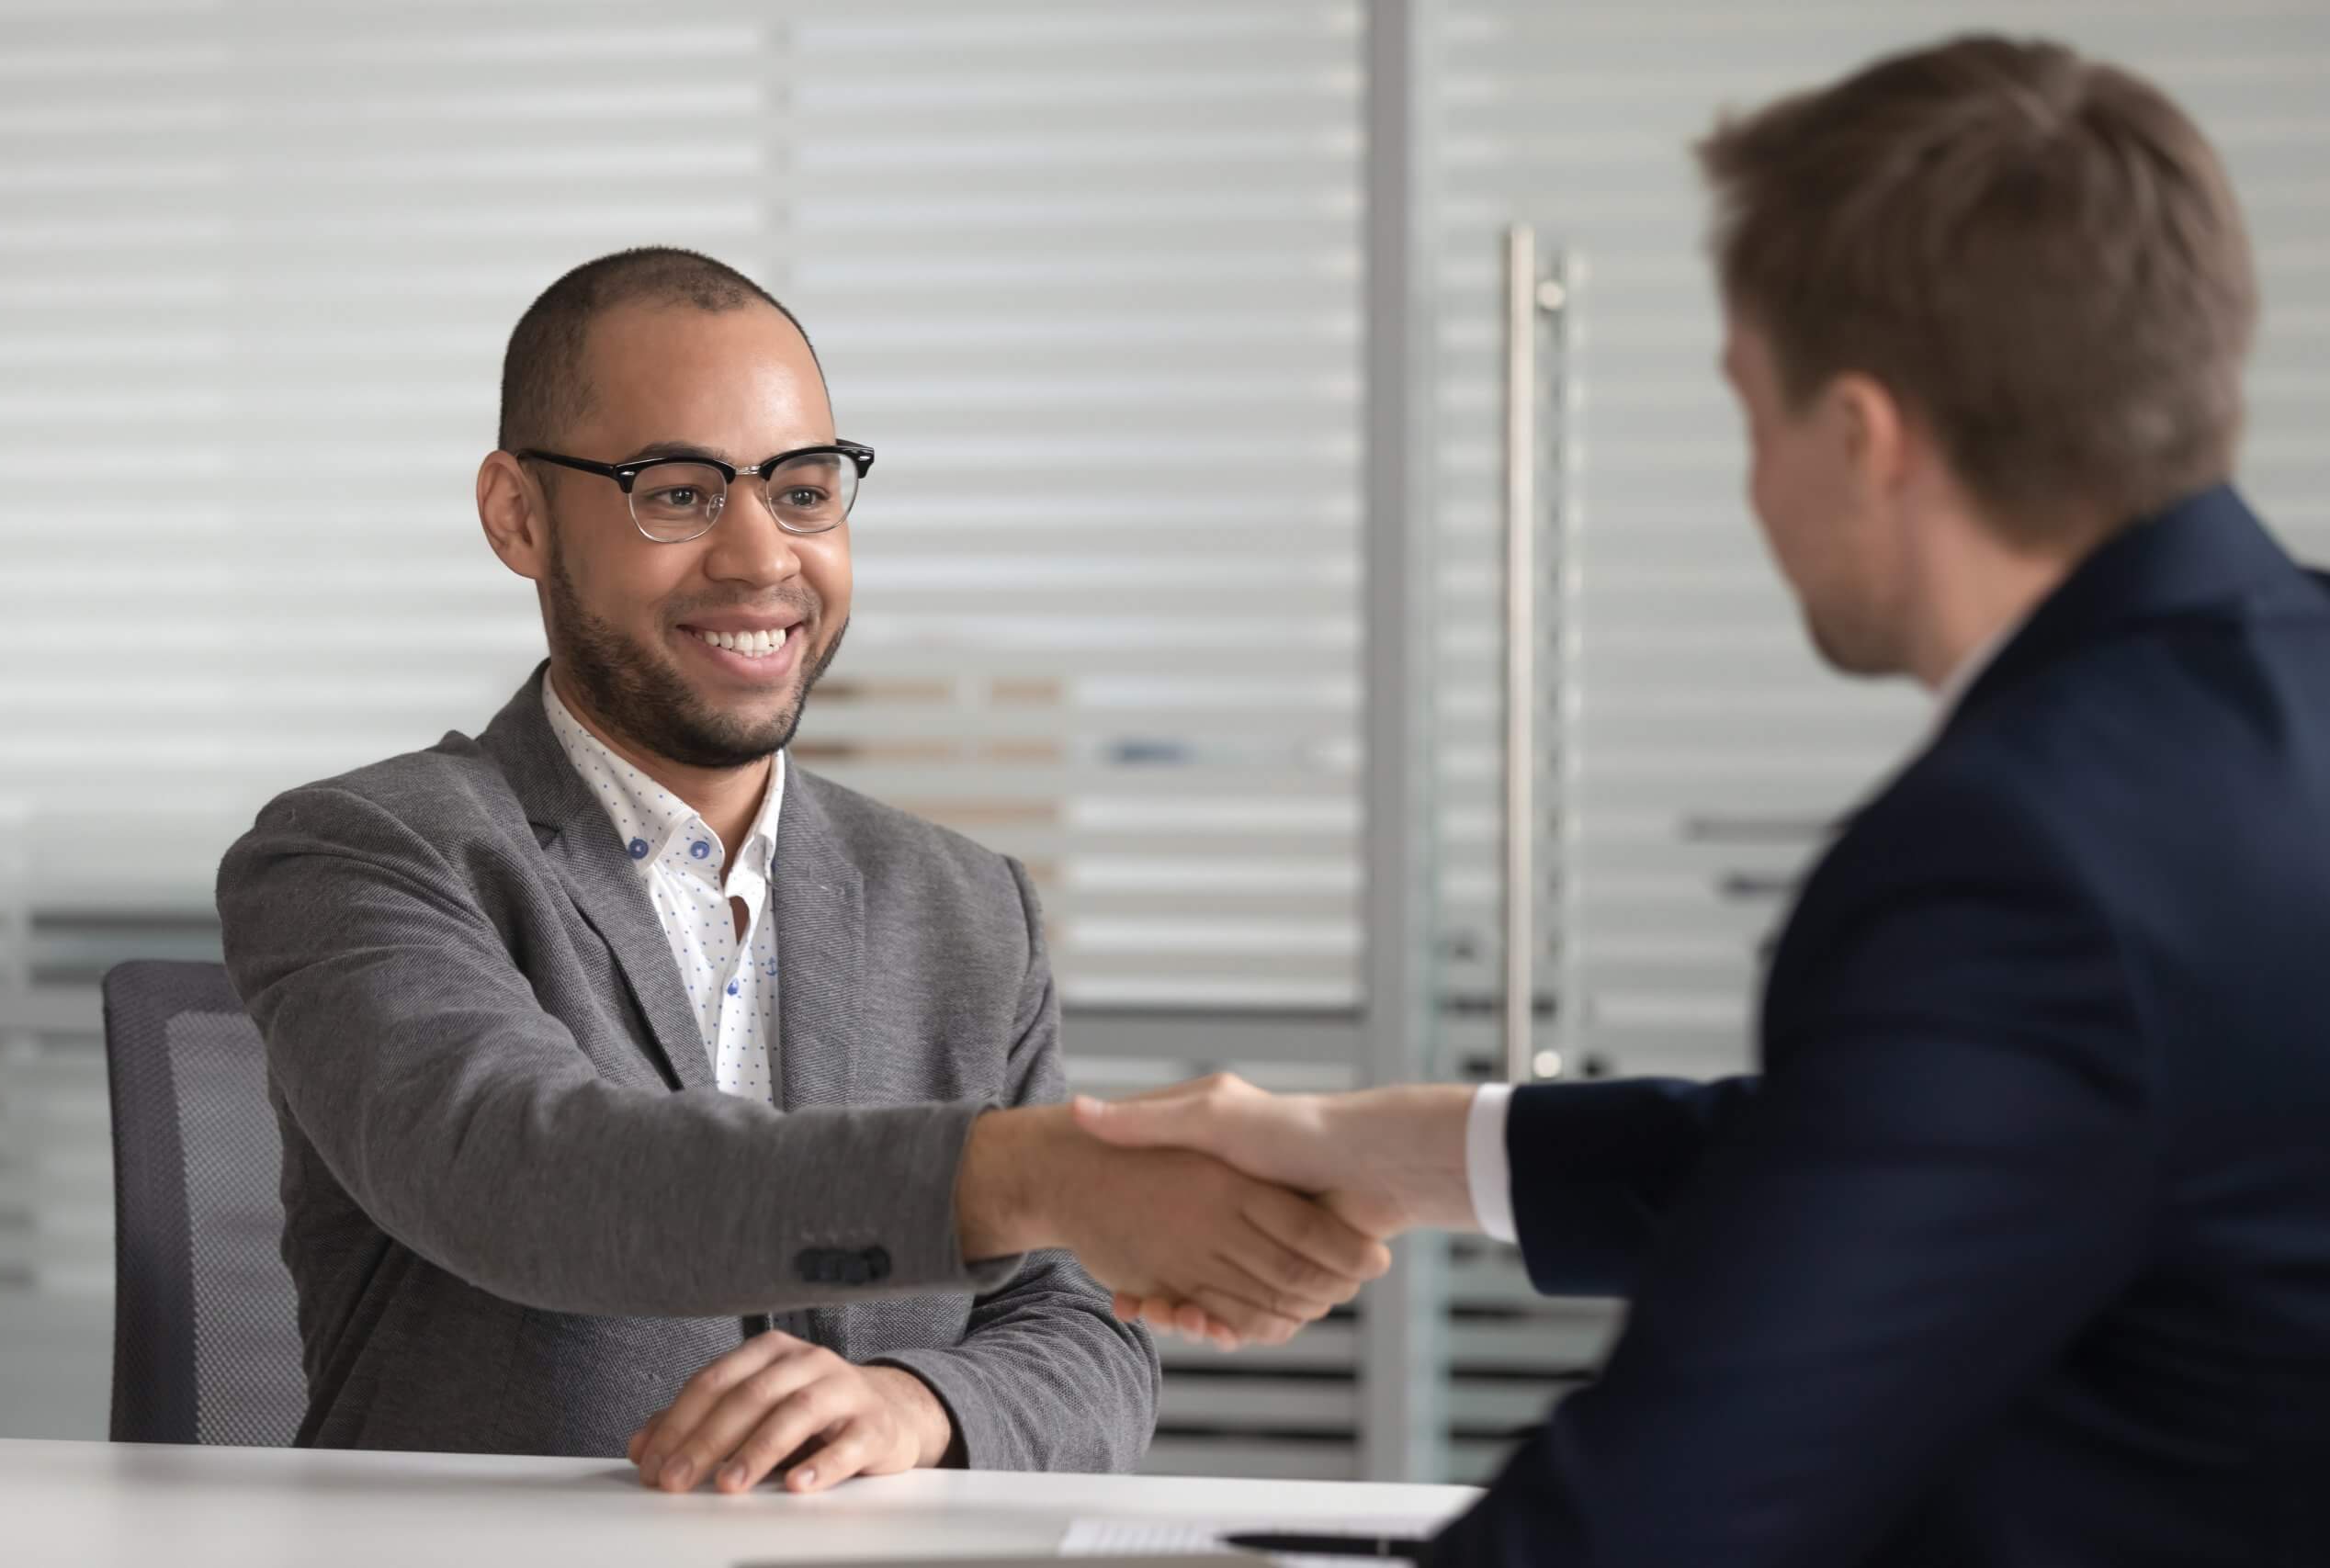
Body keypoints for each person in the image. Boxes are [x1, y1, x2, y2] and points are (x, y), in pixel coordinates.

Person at [1076, 35, 2330, 1566]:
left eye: (1752, 414)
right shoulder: (2269, 713)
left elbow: (1661, 1512)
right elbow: (1917, 1163)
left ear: (1864, 440)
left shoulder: (2024, 859)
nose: (1753, 488)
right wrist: (1362, 1147)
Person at [214, 248, 1389, 1495]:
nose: (759, 556)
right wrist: (1032, 1173)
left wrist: (917, 1402)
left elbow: (1081, 1334)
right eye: (676, 493)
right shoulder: (364, 854)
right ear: (518, 515)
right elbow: (528, 1177)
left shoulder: (965, 906)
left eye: (804, 489)